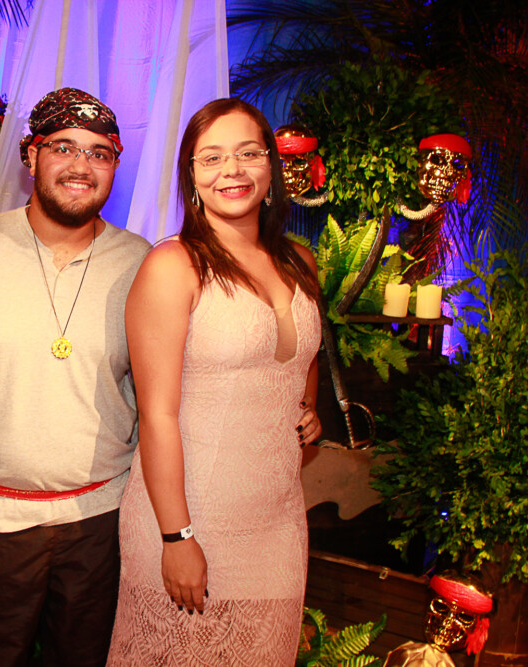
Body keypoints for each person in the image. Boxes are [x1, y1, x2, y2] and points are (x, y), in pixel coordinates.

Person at [0, 88, 151, 666]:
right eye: (64, 147)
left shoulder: (142, 262)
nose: (82, 165)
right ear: (30, 156)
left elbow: (172, 381)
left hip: (100, 522)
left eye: (100, 153)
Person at [107, 98, 323, 665]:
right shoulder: (174, 265)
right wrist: (176, 536)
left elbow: (302, 360)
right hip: (190, 515)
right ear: (192, 176)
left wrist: (308, 409)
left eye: (249, 153)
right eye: (212, 157)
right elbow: (156, 415)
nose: (233, 169)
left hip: (277, 522)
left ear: (271, 166)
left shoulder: (300, 262)